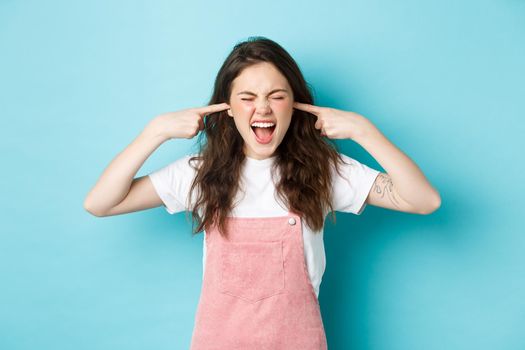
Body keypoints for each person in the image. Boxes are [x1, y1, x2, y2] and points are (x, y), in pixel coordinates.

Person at [84, 36, 441, 349]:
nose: (263, 108)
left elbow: (425, 200)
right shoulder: (200, 173)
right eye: (248, 97)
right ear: (227, 108)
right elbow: (100, 203)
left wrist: (365, 132)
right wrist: (154, 133)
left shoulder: (323, 170)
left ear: (295, 103)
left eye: (276, 96)